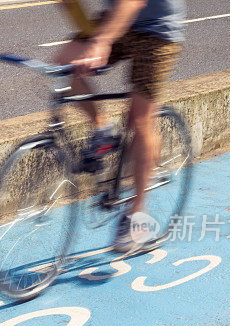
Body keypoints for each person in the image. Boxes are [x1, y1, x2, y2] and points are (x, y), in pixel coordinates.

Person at [55, 0, 185, 252]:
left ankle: (136, 217)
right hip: (118, 20)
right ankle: (103, 130)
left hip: (158, 31)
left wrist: (100, 41)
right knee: (63, 64)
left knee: (139, 119)